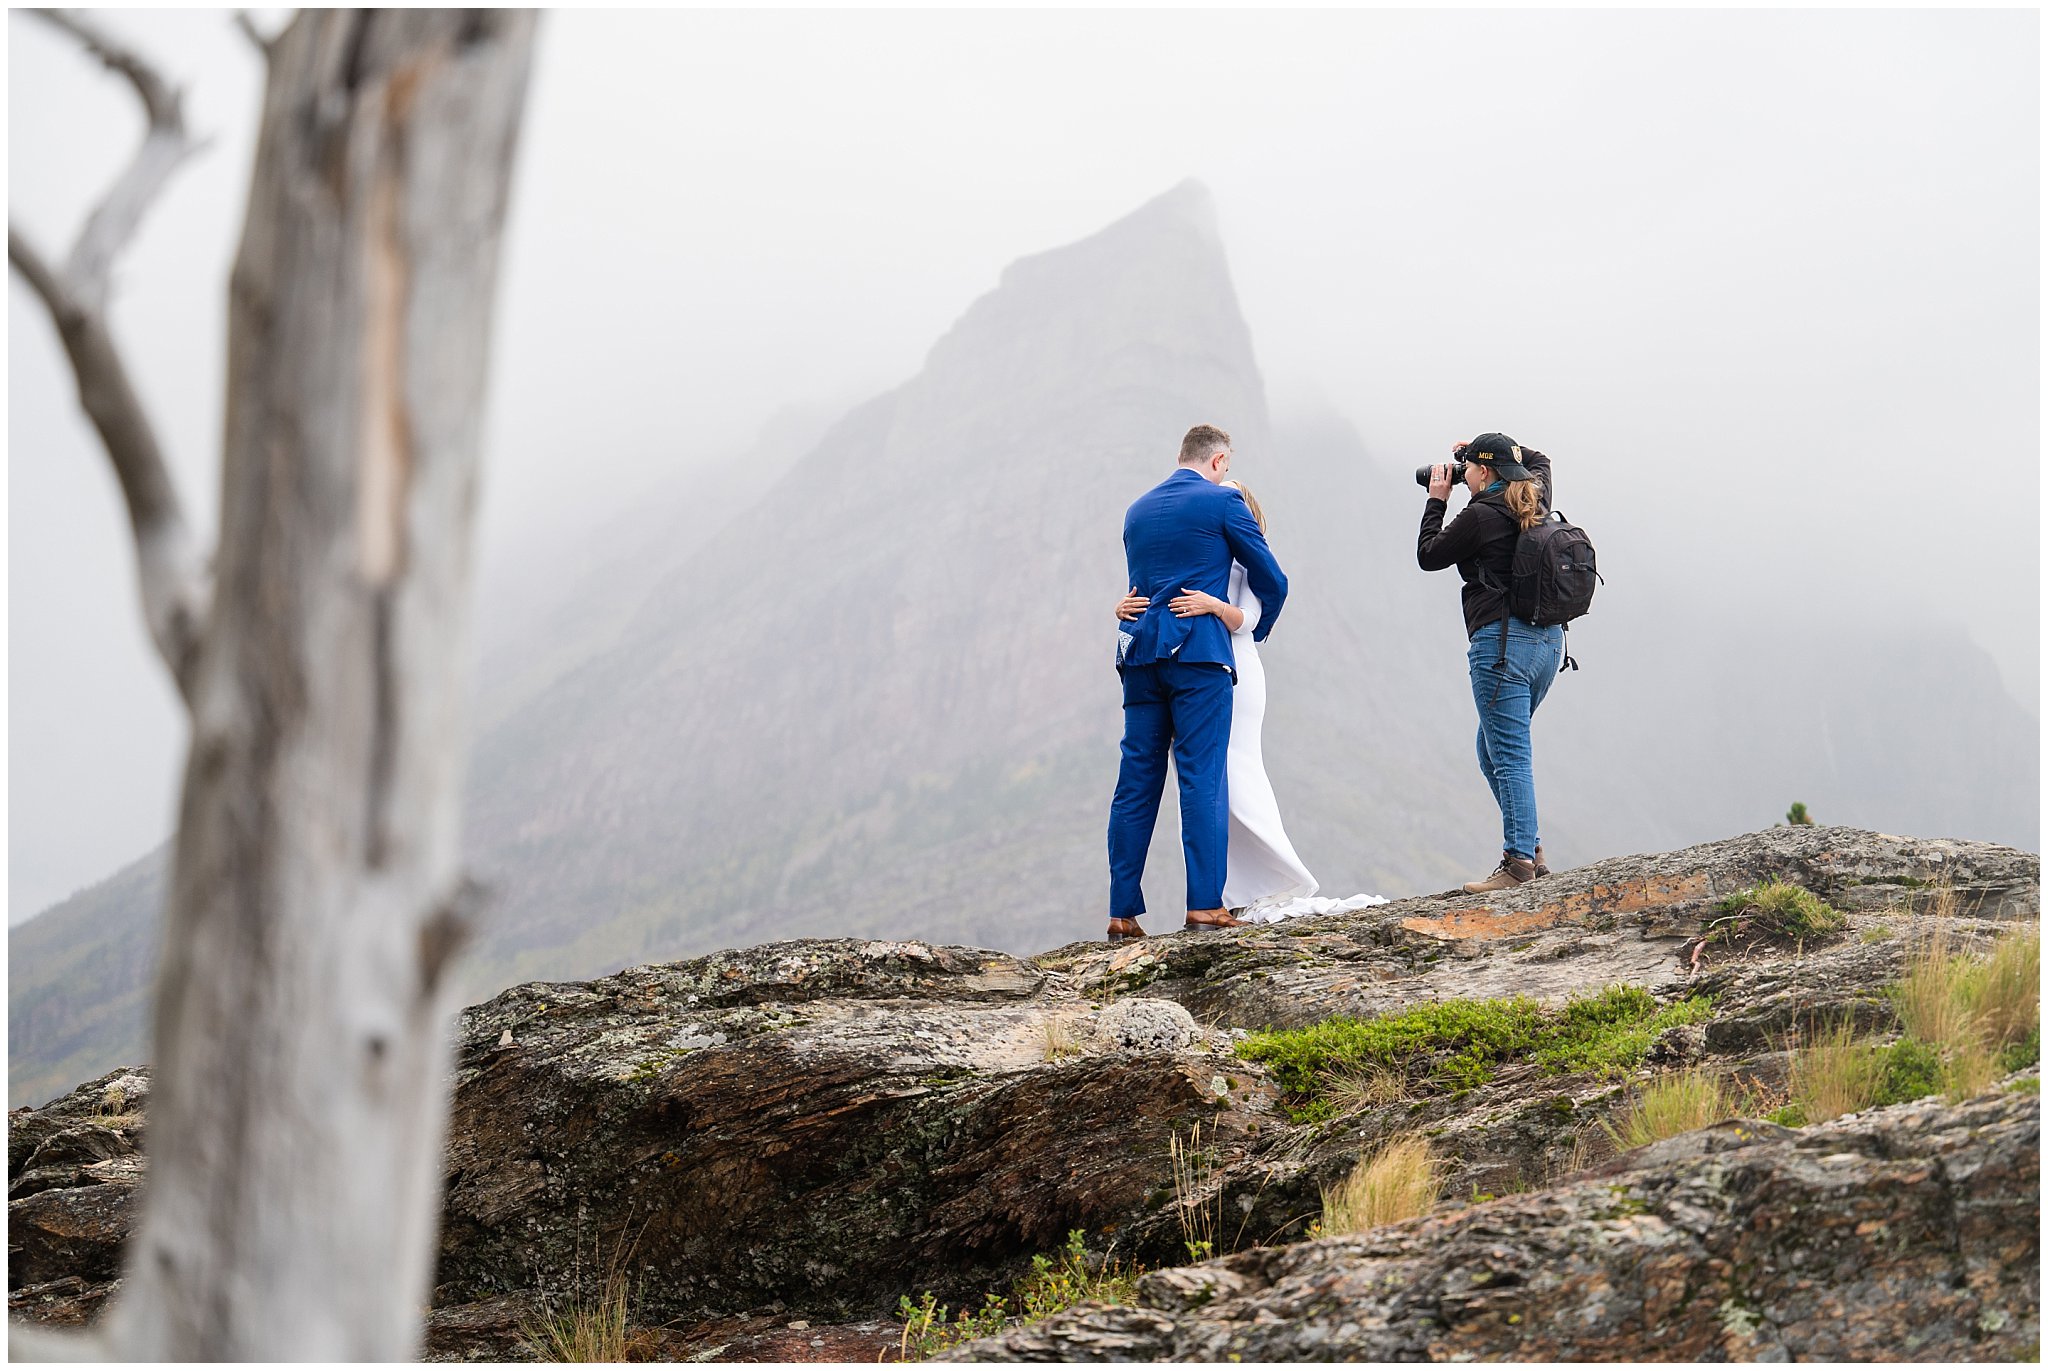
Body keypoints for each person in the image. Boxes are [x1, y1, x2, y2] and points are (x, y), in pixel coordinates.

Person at [1105, 425, 1287, 944]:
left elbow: (1141, 588)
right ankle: (1205, 905)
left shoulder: (1136, 511)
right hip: (1199, 655)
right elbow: (1273, 578)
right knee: (1202, 775)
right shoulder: (1222, 504)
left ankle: (1122, 912)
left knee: (1135, 782)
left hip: (1139, 654)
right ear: (1219, 460)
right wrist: (1258, 626)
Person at [1122, 480, 1316, 914]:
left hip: (1232, 666)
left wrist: (1214, 605)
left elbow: (1250, 618)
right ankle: (1224, 891)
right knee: (1200, 780)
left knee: (1229, 772)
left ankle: (1270, 875)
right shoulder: (1201, 554)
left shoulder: (1246, 558)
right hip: (1191, 659)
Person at [1416, 432, 1561, 894]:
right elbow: (1540, 460)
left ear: (1484, 473)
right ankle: (1530, 850)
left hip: (1502, 646)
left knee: (1510, 754)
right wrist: (1484, 450)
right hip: (1547, 646)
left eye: (1470, 470)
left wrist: (1438, 498)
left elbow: (1429, 555)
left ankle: (1518, 861)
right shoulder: (1533, 496)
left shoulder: (1480, 515)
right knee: (1491, 749)